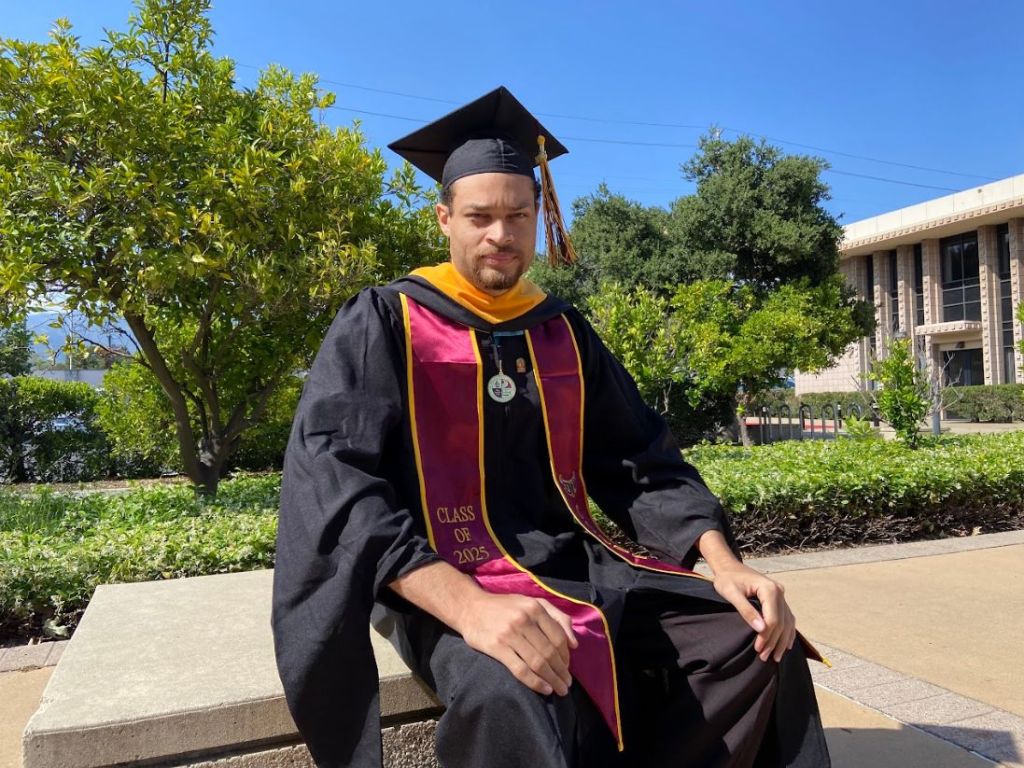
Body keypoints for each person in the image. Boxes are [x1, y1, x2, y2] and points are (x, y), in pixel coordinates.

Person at [272, 86, 830, 768]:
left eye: (518, 214)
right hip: (437, 577)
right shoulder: (386, 323)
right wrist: (470, 608)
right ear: (444, 218)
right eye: (479, 216)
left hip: (576, 565)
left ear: (540, 216)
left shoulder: (561, 329)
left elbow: (640, 458)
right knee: (511, 686)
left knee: (754, 634)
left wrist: (724, 564)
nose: (501, 235)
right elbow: (335, 483)